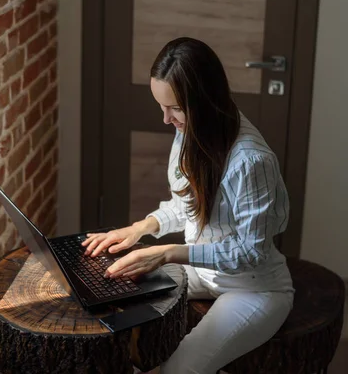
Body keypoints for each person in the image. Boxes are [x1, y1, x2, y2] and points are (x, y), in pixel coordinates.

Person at [82, 37, 294, 374]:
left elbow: (249, 252)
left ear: (207, 100)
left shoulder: (251, 161)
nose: (166, 119)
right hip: (202, 272)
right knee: (106, 290)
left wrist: (168, 253)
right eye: (161, 106)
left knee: (180, 370)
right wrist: (139, 228)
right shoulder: (190, 130)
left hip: (253, 287)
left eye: (175, 108)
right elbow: (186, 206)